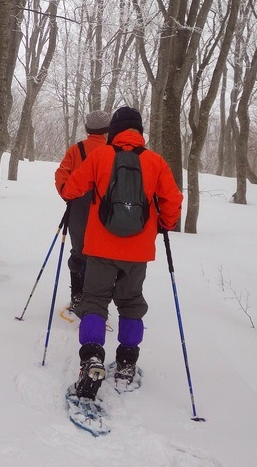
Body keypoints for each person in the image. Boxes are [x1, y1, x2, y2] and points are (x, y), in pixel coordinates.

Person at [60, 106, 182, 399]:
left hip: (100, 247)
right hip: (138, 250)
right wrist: (164, 223)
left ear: (114, 130)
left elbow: (71, 189)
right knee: (130, 304)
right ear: (139, 131)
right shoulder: (155, 162)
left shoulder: (100, 156)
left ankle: (91, 358)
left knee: (94, 302)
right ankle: (126, 362)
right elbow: (173, 201)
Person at [54, 110, 111, 312]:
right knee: (103, 256)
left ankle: (78, 297)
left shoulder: (76, 149)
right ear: (108, 129)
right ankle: (97, 302)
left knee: (79, 253)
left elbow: (62, 176)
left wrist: (67, 194)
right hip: (108, 211)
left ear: (88, 129)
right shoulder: (114, 150)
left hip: (79, 207)